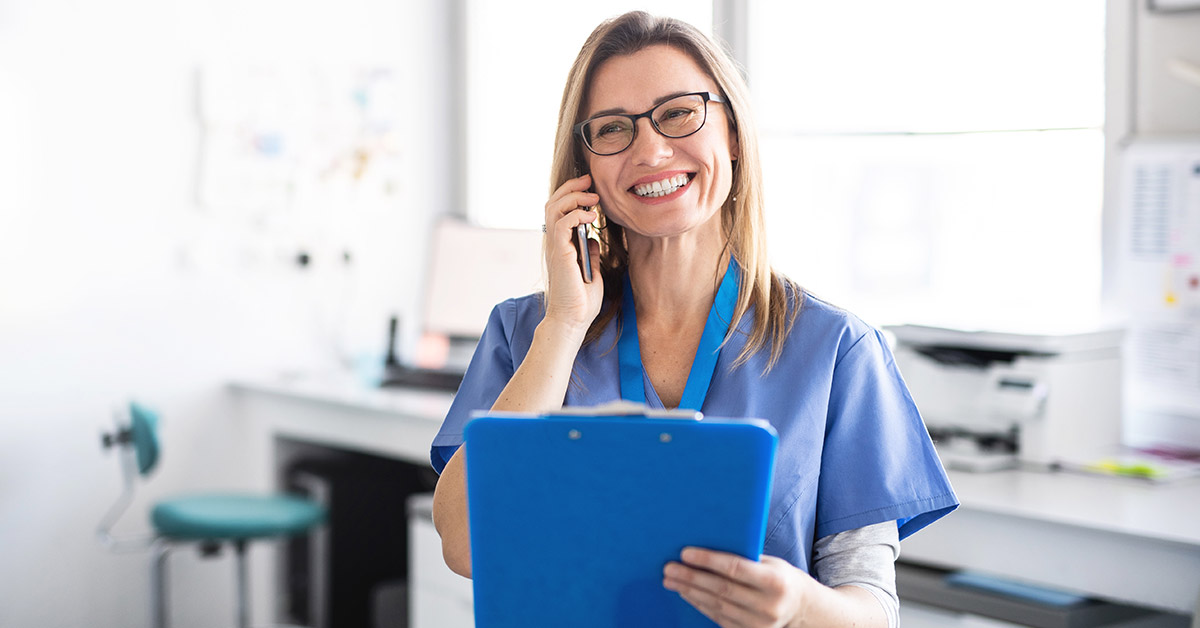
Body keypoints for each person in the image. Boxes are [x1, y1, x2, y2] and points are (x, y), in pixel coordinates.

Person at [430, 11, 957, 628]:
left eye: (678, 113)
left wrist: (796, 605)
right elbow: (465, 545)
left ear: (732, 133)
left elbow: (871, 611)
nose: (650, 150)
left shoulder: (835, 350)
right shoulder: (527, 334)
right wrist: (566, 326)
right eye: (613, 129)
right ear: (587, 168)